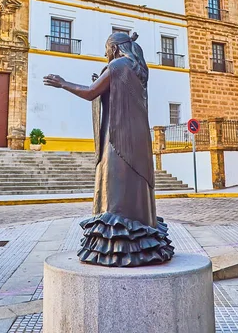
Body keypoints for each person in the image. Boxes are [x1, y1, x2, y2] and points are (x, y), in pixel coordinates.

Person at [43, 32, 174, 267]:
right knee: (132, 186)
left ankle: (117, 247)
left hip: (118, 139)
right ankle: (142, 241)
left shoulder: (118, 65)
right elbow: (112, 93)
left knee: (115, 189)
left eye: (106, 50)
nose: (105, 55)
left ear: (114, 48)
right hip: (137, 139)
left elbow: (90, 92)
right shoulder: (137, 68)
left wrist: (63, 83)